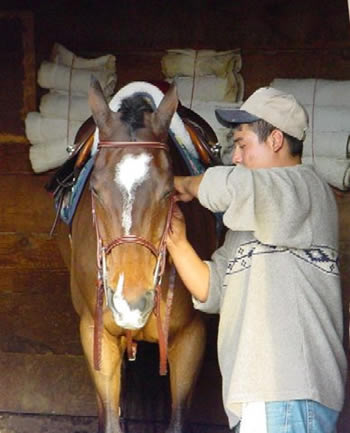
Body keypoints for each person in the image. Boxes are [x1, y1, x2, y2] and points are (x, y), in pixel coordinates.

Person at [166, 87, 347, 433]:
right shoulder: (248, 224)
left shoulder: (307, 189)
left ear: (276, 139)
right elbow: (211, 290)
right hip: (260, 400)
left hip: (290, 393)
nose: (235, 156)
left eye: (242, 144)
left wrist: (186, 184)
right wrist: (176, 241)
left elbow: (235, 186)